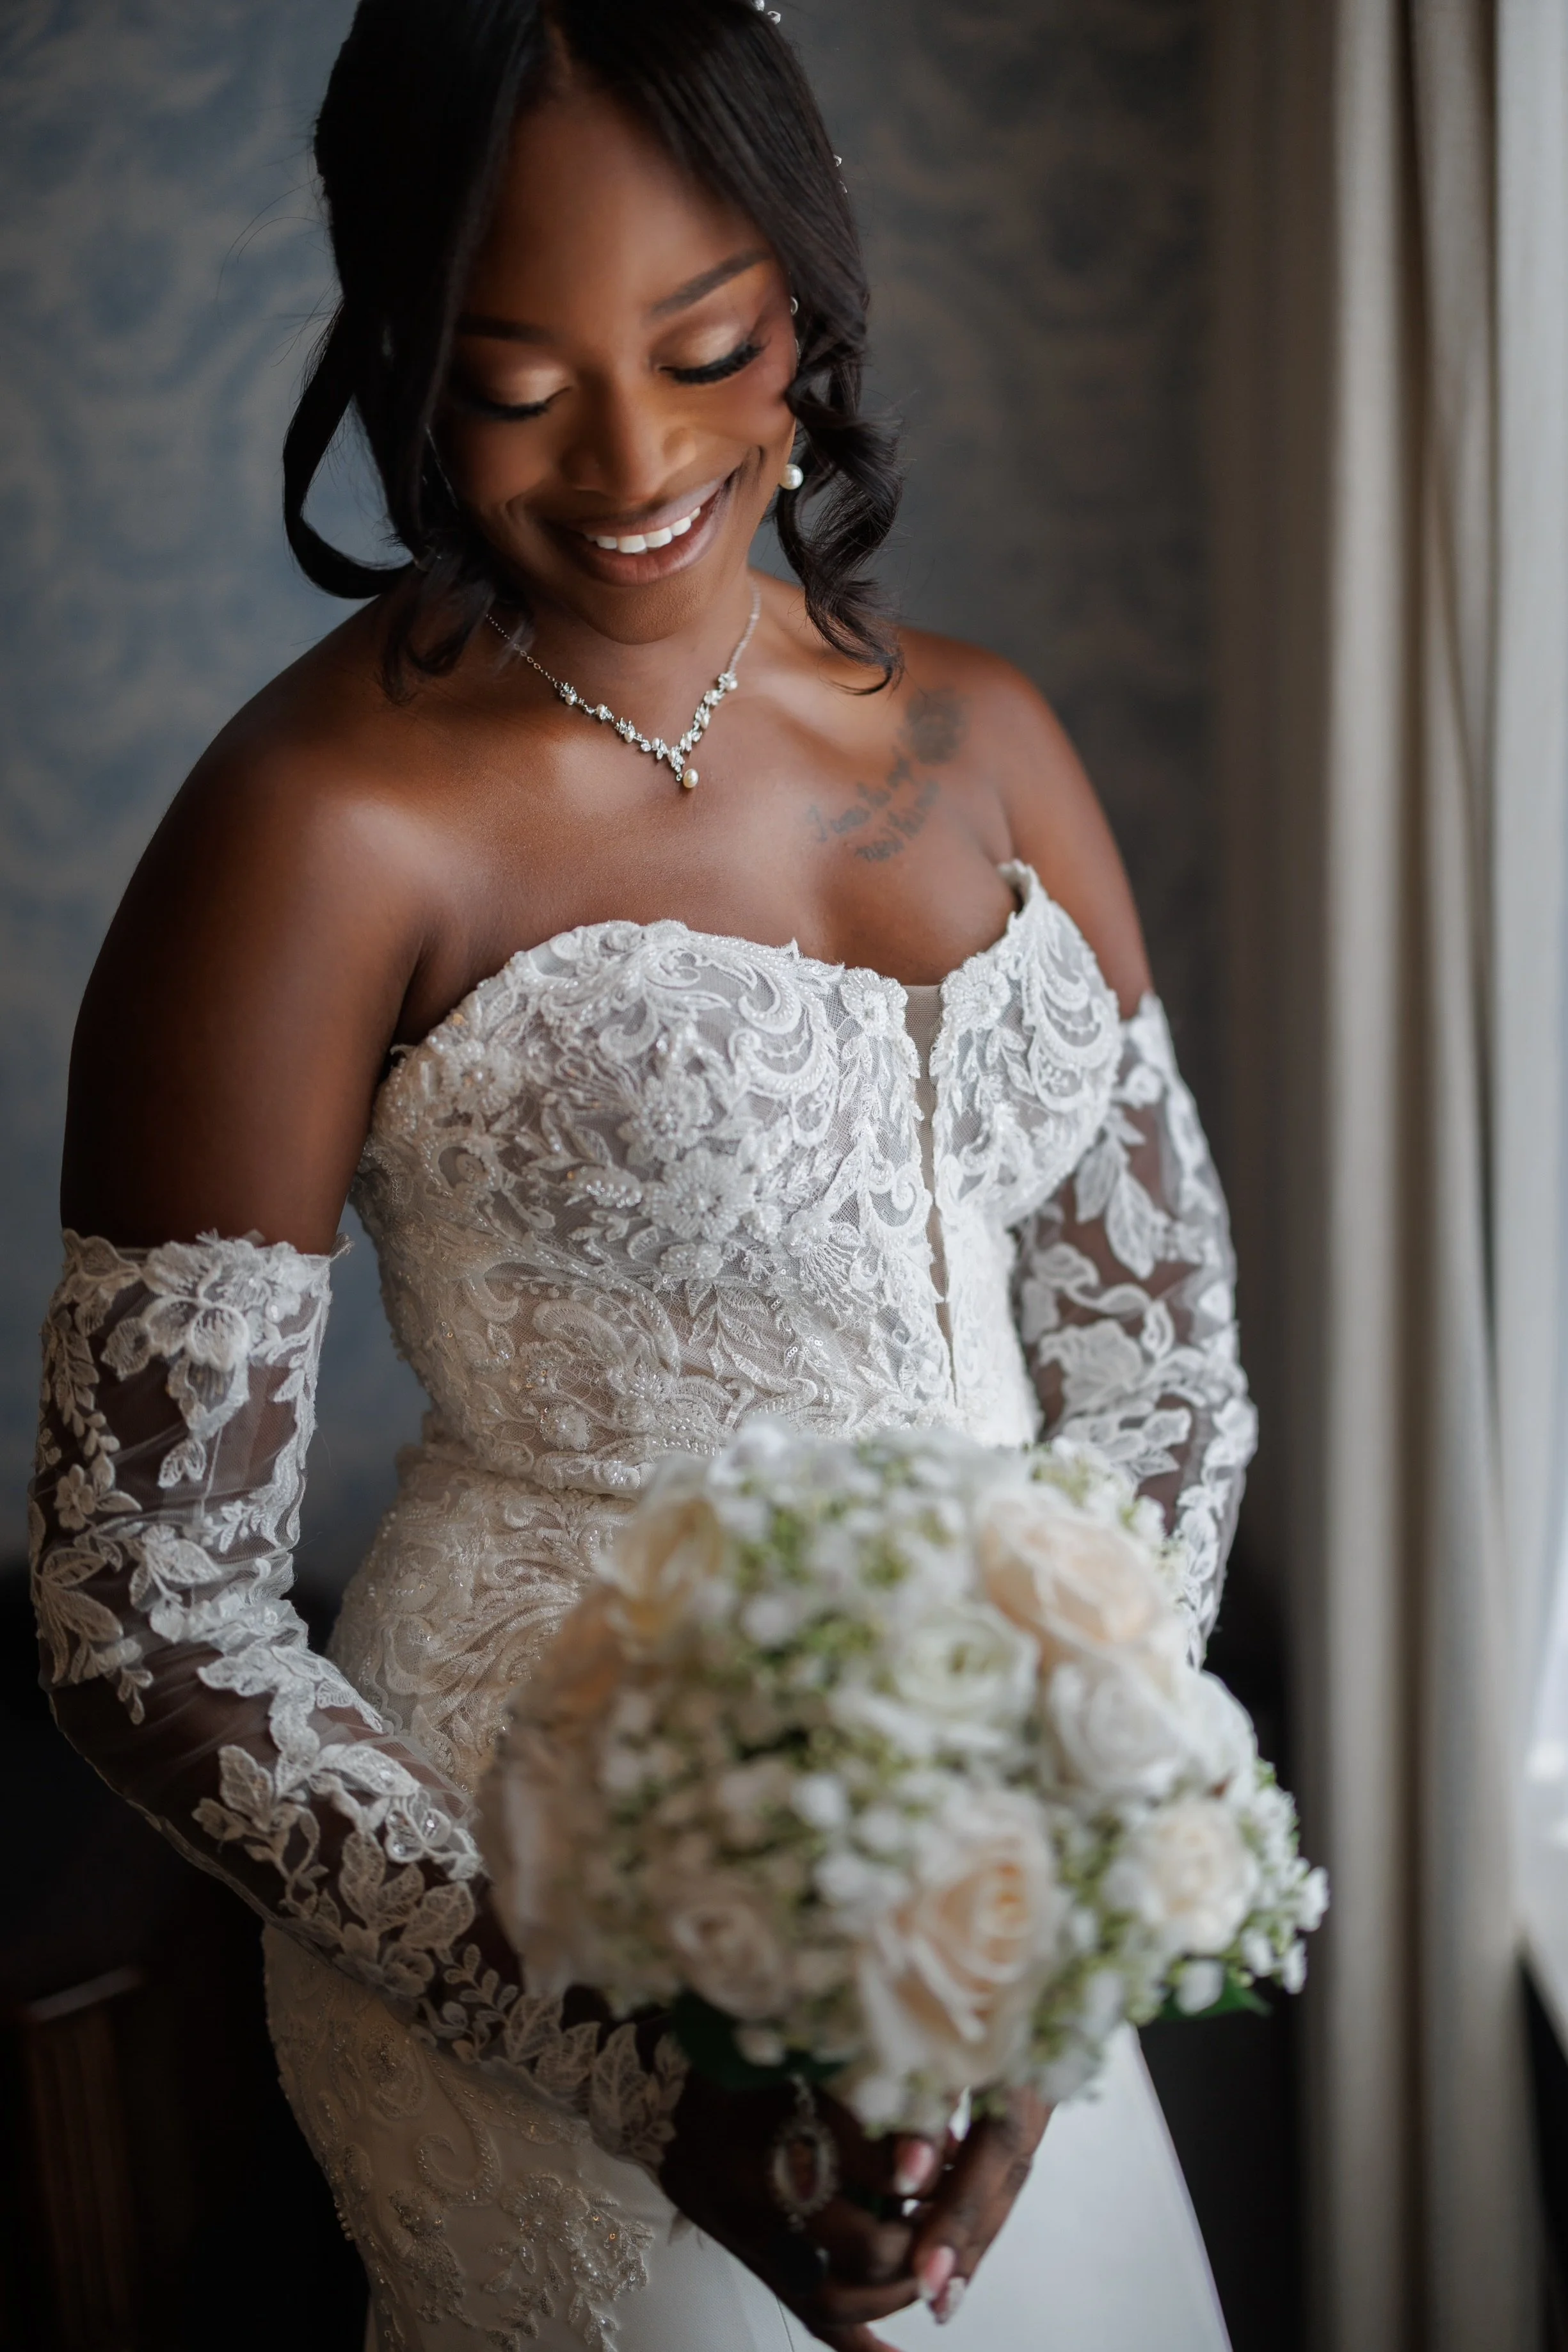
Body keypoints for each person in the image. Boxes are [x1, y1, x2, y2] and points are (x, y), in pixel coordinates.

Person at [29, 4, 1256, 2346]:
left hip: (981, 1918)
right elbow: (141, 1611)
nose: (634, 459)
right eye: (514, 380)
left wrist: (1056, 1872)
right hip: (539, 1932)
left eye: (709, 345)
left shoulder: (989, 741)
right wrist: (639, 2067)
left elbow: (1165, 1384)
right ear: (397, 355)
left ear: (810, 291)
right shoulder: (319, 831)